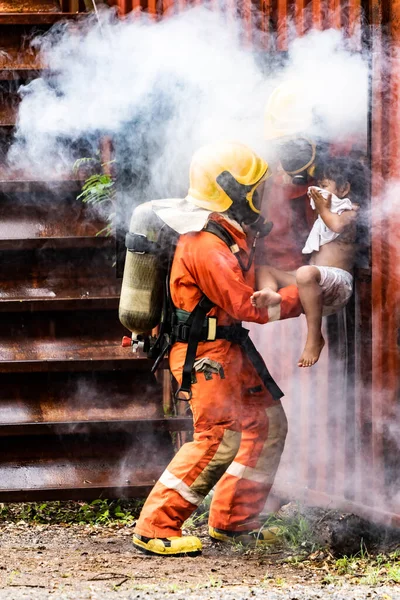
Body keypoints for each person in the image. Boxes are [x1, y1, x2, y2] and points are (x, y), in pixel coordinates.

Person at [131, 141, 302, 557]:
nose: (264, 196)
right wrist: (313, 296)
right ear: (232, 192)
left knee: (267, 423)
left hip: (227, 349)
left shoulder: (226, 234)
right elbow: (247, 305)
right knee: (218, 437)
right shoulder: (207, 246)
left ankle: (234, 521)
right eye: (257, 189)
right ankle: (156, 526)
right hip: (205, 356)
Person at [251, 157, 365, 368]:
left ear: (344, 188)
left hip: (337, 283)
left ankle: (315, 338)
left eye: (323, 186)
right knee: (265, 269)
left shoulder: (350, 211)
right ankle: (271, 291)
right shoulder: (324, 214)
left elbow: (337, 225)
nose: (317, 192)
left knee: (305, 273)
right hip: (314, 281)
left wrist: (322, 209)